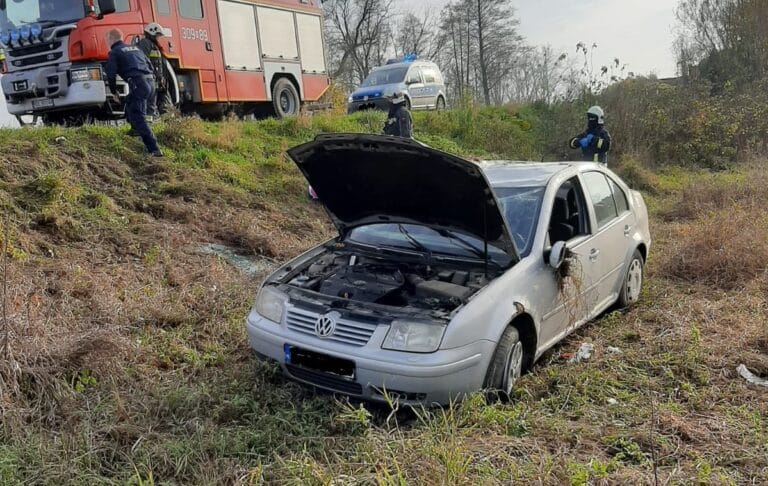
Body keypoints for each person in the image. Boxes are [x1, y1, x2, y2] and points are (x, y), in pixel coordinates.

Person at [104, 29, 162, 157]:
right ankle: (134, 130)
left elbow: (110, 74)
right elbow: (149, 65)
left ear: (110, 39)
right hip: (150, 82)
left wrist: (114, 92)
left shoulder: (114, 52)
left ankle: (154, 150)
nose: (105, 42)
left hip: (139, 83)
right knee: (130, 102)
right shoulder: (135, 48)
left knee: (138, 116)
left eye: (106, 39)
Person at [135, 23, 167, 117]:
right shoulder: (145, 43)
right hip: (147, 78)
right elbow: (143, 60)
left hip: (152, 78)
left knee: (152, 102)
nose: (158, 38)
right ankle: (148, 121)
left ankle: (151, 119)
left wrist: (160, 77)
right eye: (157, 35)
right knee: (149, 102)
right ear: (151, 33)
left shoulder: (153, 45)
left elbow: (158, 63)